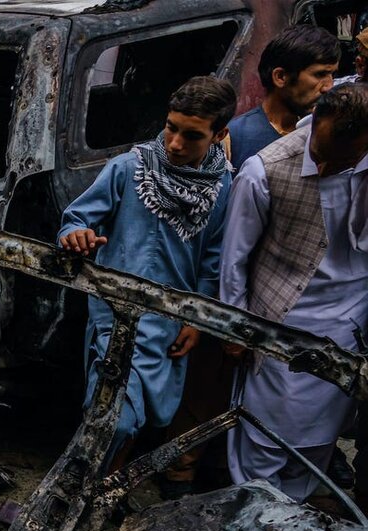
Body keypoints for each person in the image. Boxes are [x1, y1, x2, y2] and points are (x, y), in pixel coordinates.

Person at [58, 76, 236, 469]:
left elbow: (212, 261)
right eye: (171, 128)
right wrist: (77, 236)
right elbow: (76, 219)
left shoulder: (222, 187)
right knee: (112, 419)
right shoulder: (127, 168)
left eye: (192, 136)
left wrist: (197, 320)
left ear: (219, 133)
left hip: (170, 325)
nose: (175, 144)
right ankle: (81, 488)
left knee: (147, 418)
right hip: (115, 316)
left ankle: (104, 486)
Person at [222, 83, 368, 502]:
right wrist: (236, 325)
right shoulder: (264, 170)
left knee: (317, 447)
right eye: (318, 157)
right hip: (279, 325)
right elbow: (234, 258)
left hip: (349, 332)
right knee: (263, 441)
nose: (322, 170)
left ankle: (291, 526)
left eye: (339, 163)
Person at [227, 25, 338, 173]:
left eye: (332, 75)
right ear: (280, 77)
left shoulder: (327, 131)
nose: (329, 87)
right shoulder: (234, 138)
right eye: (319, 75)